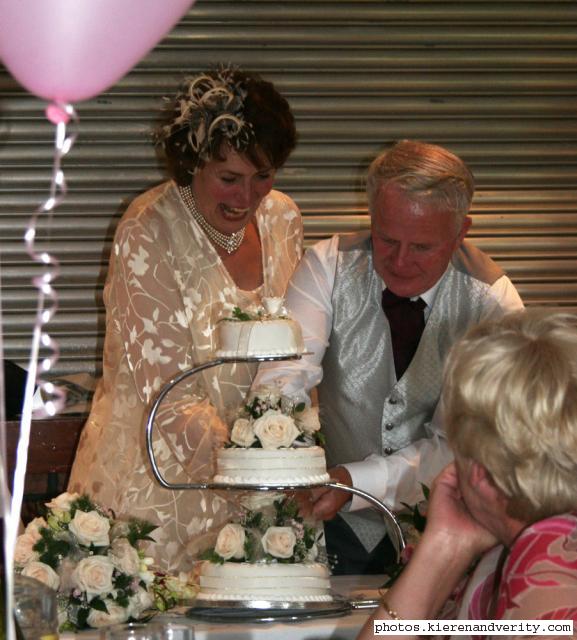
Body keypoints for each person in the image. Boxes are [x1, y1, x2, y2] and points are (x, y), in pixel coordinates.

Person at [68, 66, 303, 572]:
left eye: (262, 176)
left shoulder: (284, 218)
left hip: (268, 479)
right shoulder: (147, 230)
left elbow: (298, 355)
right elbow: (170, 396)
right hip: (158, 490)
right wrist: (259, 482)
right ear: (191, 164)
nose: (247, 197)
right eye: (229, 179)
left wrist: (294, 461)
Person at [254, 140, 524, 574]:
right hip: (332, 526)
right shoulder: (327, 265)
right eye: (386, 238)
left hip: (452, 535)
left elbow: (468, 446)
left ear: (461, 231)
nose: (399, 261)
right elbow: (283, 381)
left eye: (421, 247)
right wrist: (288, 460)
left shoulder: (494, 304)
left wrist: (354, 481)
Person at [357, 309, 577, 634]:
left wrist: (440, 551)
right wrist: (447, 545)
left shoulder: (548, 555)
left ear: (481, 474)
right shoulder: (516, 546)